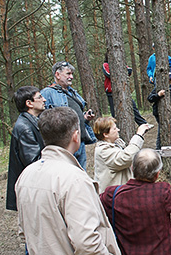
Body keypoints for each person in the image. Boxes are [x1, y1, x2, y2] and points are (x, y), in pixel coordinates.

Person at [15, 107, 120, 254]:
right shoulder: (74, 180)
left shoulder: (25, 175)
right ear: (76, 136)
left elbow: (24, 232)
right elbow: (87, 243)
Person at [100, 144, 171, 255]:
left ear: (132, 168)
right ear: (157, 174)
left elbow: (94, 206)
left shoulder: (112, 195)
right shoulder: (162, 194)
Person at [41, 61, 96, 169]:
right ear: (57, 74)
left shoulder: (72, 92)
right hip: (63, 144)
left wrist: (85, 117)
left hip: (78, 141)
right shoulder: (47, 93)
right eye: (68, 74)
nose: (71, 77)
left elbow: (74, 114)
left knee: (81, 174)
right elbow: (43, 120)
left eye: (72, 74)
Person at [6, 86, 46, 211]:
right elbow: (35, 163)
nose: (44, 100)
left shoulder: (33, 121)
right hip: (32, 190)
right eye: (39, 97)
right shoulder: (24, 128)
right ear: (29, 103)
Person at [93, 117, 152, 193]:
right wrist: (139, 135)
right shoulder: (103, 151)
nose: (118, 130)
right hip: (110, 199)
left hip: (117, 195)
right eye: (114, 129)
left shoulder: (115, 145)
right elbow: (126, 157)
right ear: (105, 134)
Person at [103, 54, 147, 126]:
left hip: (123, 90)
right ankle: (116, 127)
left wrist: (121, 70)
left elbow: (129, 71)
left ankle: (143, 124)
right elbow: (109, 74)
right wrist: (120, 71)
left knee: (133, 107)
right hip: (111, 91)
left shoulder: (120, 63)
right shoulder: (105, 64)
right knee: (114, 111)